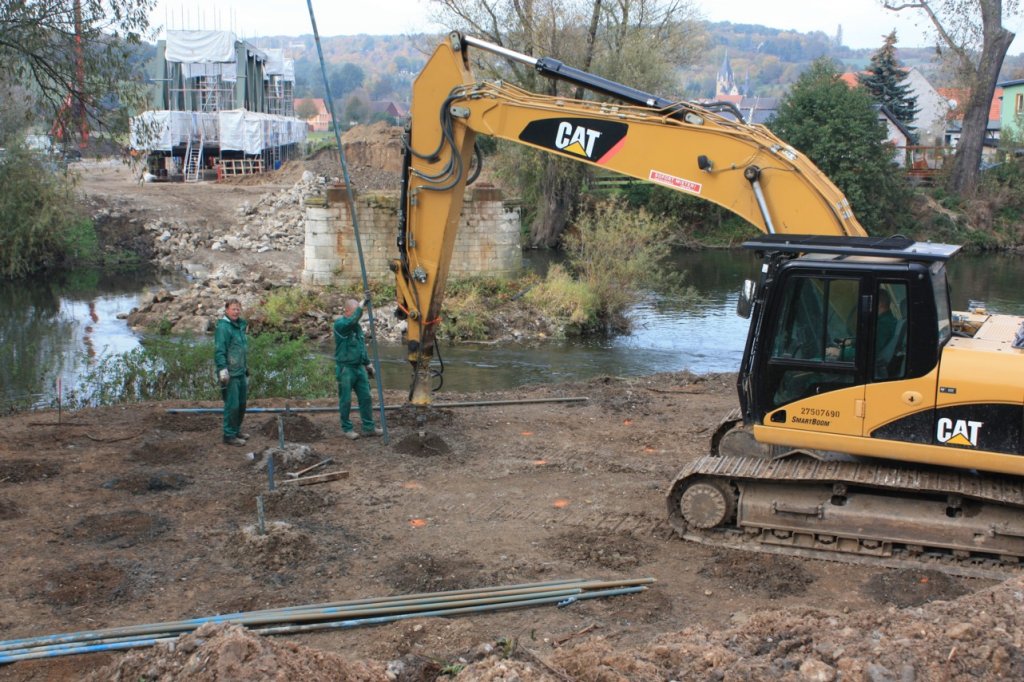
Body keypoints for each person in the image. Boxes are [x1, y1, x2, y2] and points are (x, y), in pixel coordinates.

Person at [334, 297, 382, 440]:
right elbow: (352, 321)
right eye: (355, 312)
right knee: (346, 400)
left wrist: (368, 364)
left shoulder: (357, 327)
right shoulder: (340, 325)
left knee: (366, 397)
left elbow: (361, 347)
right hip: (346, 369)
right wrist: (361, 306)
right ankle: (347, 428)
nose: (357, 316)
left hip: (359, 368)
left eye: (358, 312)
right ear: (347, 311)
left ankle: (369, 427)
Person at [214, 299, 249, 446]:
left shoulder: (239, 326)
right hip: (230, 373)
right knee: (232, 405)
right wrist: (222, 369)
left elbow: (241, 349)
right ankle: (229, 435)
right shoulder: (223, 327)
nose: (236, 312)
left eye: (238, 309)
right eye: (233, 309)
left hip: (241, 371)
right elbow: (219, 350)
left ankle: (236, 430)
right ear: (227, 310)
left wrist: (246, 368)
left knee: (241, 404)